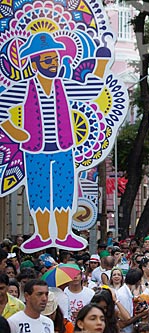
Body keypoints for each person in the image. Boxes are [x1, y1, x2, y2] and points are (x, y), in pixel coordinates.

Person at [2, 31, 110, 252]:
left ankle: (62, 234)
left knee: (63, 190)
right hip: (35, 150)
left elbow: (91, 91)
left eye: (56, 58)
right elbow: (2, 108)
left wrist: (101, 64)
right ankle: (42, 235)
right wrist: (16, 132)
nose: (54, 63)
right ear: (35, 63)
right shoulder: (24, 87)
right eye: (48, 60)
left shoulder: (64, 85)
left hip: (63, 149)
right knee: (39, 191)